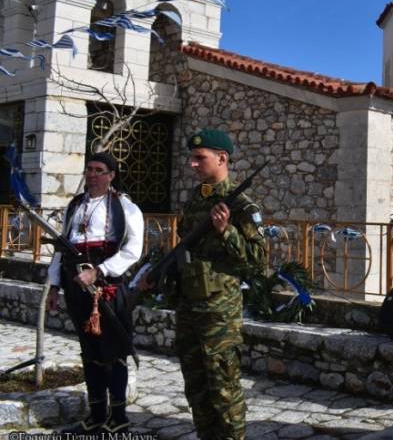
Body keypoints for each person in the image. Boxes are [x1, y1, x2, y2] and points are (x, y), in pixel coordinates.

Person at [147, 129, 266, 440]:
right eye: (192, 158)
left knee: (223, 388)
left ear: (222, 158)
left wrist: (226, 230)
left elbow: (258, 261)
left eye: (200, 158)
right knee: (196, 386)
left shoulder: (240, 205)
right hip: (189, 305)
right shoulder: (195, 200)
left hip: (218, 312)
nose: (192, 164)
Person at [47, 152, 144, 436]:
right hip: (77, 290)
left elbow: (132, 251)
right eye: (89, 169)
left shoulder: (124, 206)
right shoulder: (75, 205)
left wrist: (99, 271)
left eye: (99, 170)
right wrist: (54, 285)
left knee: (114, 354)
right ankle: (97, 416)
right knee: (89, 353)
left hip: (109, 291)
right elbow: (62, 249)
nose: (92, 174)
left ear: (111, 175)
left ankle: (118, 420)